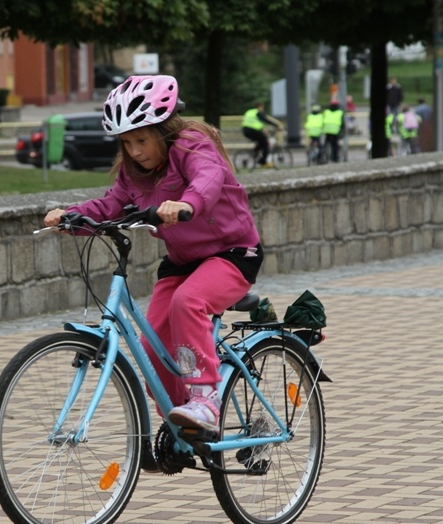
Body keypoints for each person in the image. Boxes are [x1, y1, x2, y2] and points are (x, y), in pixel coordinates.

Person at [43, 75, 263, 432]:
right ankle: (184, 425)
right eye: (126, 142)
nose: (135, 151)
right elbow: (111, 204)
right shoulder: (135, 173)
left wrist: (186, 204)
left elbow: (207, 178)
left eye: (142, 139)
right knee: (151, 344)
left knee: (187, 303)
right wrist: (72, 217)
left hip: (233, 253)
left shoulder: (193, 145)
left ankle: (206, 398)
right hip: (182, 262)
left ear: (163, 129)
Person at [241, 101, 279, 167]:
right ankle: (263, 162)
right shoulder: (258, 112)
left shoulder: (249, 112)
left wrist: (262, 130)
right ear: (260, 107)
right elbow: (265, 120)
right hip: (253, 131)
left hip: (245, 130)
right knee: (265, 144)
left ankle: (254, 154)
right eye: (262, 107)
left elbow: (253, 123)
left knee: (261, 142)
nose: (263, 109)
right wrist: (276, 125)